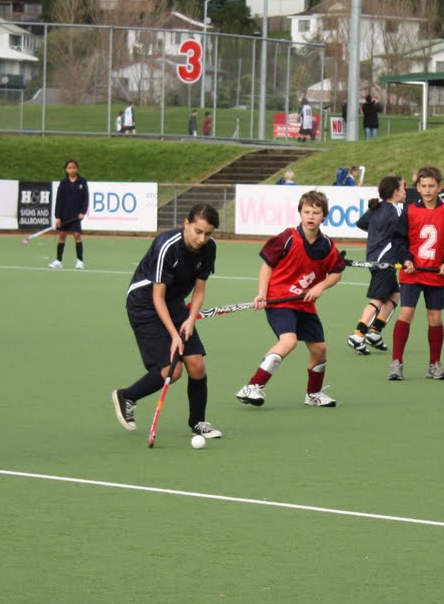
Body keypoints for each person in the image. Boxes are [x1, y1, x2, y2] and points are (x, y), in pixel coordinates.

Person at [111, 205, 222, 441]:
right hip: (144, 302)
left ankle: (198, 422)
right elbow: (157, 297)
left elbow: (199, 291)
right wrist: (174, 334)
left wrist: (190, 320)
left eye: (208, 233)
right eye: (198, 231)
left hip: (174, 302)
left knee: (196, 364)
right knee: (172, 370)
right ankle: (126, 396)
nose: (202, 239)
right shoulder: (167, 246)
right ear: (186, 224)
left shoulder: (209, 248)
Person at [235, 191, 347, 408]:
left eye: (316, 212)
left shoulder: (327, 245)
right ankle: (253, 386)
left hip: (304, 303)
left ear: (324, 216)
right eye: (306, 211)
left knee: (320, 349)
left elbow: (336, 272)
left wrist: (320, 286)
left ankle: (313, 394)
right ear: (300, 212)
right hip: (279, 299)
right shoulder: (286, 238)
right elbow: (267, 264)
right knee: (289, 341)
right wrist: (262, 293)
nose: (310, 216)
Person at [386, 166, 444, 381]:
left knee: (435, 317)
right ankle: (396, 363)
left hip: (436, 275)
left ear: (439, 187)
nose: (428, 190)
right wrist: (405, 259)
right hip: (413, 273)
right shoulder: (410, 210)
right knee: (406, 313)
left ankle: (434, 365)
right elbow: (399, 240)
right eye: (424, 186)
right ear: (418, 188)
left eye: (432, 186)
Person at [346, 174, 406, 356]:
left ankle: (375, 333)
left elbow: (361, 223)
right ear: (395, 192)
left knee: (394, 295)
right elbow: (402, 234)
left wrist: (377, 232)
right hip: (385, 262)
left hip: (375, 258)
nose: (405, 191)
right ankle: (358, 335)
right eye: (403, 187)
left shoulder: (377, 207)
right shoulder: (395, 210)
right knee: (379, 299)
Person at [50, 158, 89, 269]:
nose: (72, 169)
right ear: (66, 170)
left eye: (73, 167)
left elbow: (85, 198)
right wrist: (57, 217)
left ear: (77, 169)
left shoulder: (82, 182)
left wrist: (82, 212)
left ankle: (80, 261)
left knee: (77, 235)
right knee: (62, 236)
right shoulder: (63, 183)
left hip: (76, 215)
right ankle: (58, 260)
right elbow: (59, 200)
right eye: (69, 168)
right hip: (64, 214)